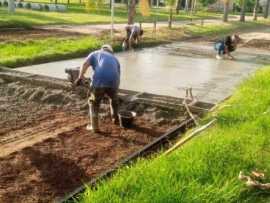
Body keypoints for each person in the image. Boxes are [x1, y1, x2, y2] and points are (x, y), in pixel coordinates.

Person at [75, 44, 121, 133]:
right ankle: (115, 119)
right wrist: (114, 89)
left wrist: (80, 77)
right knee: (113, 100)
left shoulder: (95, 53)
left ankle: (94, 127)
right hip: (114, 81)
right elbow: (118, 75)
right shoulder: (115, 59)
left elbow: (85, 64)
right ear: (111, 51)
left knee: (93, 103)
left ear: (102, 49)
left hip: (99, 80)